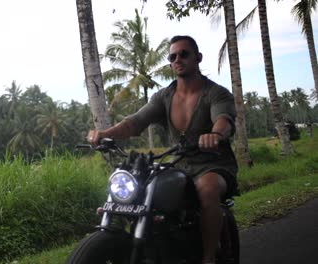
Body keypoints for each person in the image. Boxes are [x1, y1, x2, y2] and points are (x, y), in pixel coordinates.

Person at [87, 35, 238, 264]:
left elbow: (224, 119)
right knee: (144, 189)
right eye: (173, 56)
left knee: (206, 190)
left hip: (213, 163)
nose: (178, 59)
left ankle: (208, 258)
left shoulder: (216, 93)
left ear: (198, 57)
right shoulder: (164, 97)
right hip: (179, 164)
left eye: (184, 54)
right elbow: (135, 122)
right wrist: (105, 135)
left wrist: (215, 135)